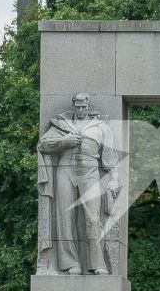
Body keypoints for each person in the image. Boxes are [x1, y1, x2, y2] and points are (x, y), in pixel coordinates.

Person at [36, 92, 118, 275]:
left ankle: (98, 264)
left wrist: (114, 179)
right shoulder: (62, 123)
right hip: (65, 169)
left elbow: (110, 159)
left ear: (88, 106)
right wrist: (63, 142)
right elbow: (43, 145)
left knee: (93, 219)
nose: (81, 110)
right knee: (65, 218)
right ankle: (71, 263)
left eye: (84, 107)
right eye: (77, 106)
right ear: (73, 105)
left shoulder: (101, 127)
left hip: (90, 172)